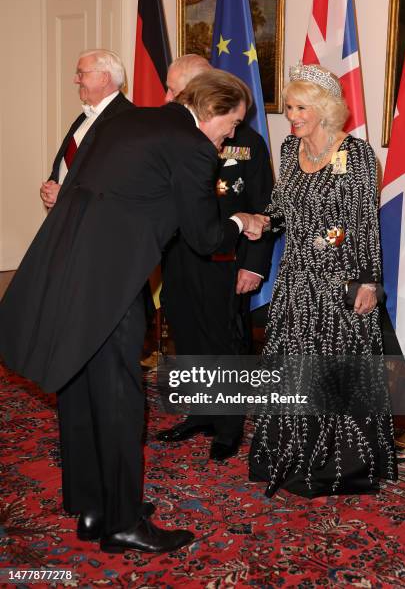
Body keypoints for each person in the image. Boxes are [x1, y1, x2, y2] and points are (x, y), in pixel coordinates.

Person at [0, 69, 268, 553]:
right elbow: (205, 238)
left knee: (77, 388)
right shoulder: (192, 145)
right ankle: (123, 523)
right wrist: (242, 219)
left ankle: (90, 506)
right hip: (111, 286)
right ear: (212, 109)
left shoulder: (125, 120)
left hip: (62, 271)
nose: (232, 134)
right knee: (121, 401)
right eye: (232, 123)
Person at [249, 62, 398, 498]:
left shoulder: (355, 155)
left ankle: (341, 466)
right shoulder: (289, 154)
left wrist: (369, 282)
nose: (291, 115)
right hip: (297, 282)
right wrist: (260, 219)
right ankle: (288, 455)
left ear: (325, 109)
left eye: (299, 107)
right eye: (290, 107)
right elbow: (281, 209)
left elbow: (363, 223)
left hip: (340, 287)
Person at [157, 55, 274, 462]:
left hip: (227, 258)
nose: (170, 97)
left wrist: (253, 264)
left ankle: (228, 425)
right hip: (178, 255)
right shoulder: (173, 140)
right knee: (187, 336)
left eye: (177, 89)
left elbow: (264, 208)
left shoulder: (248, 143)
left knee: (225, 342)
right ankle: (201, 412)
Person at [40, 49, 134, 209]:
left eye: (81, 73)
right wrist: (51, 188)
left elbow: (117, 180)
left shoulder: (129, 119)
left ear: (104, 78)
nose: (76, 80)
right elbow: (69, 165)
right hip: (67, 219)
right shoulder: (84, 117)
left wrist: (65, 194)